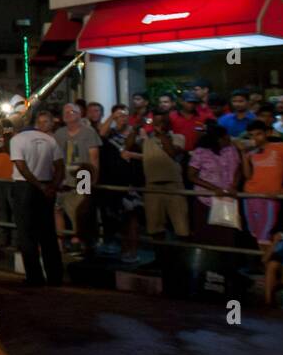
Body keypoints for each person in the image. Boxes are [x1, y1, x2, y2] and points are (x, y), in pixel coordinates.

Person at [9, 110, 65, 286]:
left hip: (24, 187)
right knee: (48, 233)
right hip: (47, 184)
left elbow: (21, 166)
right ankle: (55, 276)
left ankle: (35, 277)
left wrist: (39, 186)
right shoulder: (50, 140)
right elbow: (60, 167)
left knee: (27, 234)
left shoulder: (17, 140)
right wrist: (51, 186)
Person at [129, 110, 189, 239]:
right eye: (155, 122)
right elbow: (128, 145)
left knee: (181, 225)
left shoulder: (178, 137)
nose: (157, 124)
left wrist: (162, 134)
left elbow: (173, 152)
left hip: (173, 185)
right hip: (152, 186)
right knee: (155, 226)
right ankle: (160, 256)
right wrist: (136, 128)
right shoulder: (146, 140)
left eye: (161, 122)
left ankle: (183, 255)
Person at [54, 102, 101, 260]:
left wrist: (92, 180)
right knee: (59, 207)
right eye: (65, 112)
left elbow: (94, 158)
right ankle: (61, 243)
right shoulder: (59, 134)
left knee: (80, 209)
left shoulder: (88, 133)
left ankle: (81, 242)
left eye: (71, 112)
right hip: (64, 176)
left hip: (83, 174)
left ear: (79, 114)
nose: (68, 114)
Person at [186, 123, 241, 247]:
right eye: (226, 136)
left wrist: (234, 186)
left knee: (226, 233)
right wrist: (214, 189)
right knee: (206, 233)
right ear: (219, 139)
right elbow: (191, 176)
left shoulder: (231, 149)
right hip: (206, 200)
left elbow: (238, 168)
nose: (229, 138)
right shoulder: (201, 152)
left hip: (228, 198)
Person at [100, 104, 143, 260]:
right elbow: (100, 134)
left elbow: (148, 155)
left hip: (131, 179)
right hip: (114, 180)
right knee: (118, 216)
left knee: (131, 216)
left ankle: (132, 251)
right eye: (118, 115)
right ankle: (121, 249)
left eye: (124, 115)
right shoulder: (110, 134)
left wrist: (131, 154)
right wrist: (112, 117)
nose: (122, 118)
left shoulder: (136, 132)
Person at [241, 120, 283, 247]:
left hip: (270, 198)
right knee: (256, 235)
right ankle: (264, 265)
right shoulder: (251, 152)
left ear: (267, 133)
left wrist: (282, 190)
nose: (255, 138)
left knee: (266, 237)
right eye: (251, 135)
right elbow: (248, 176)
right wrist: (244, 155)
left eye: (258, 134)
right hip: (250, 196)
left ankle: (268, 265)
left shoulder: (281, 147)